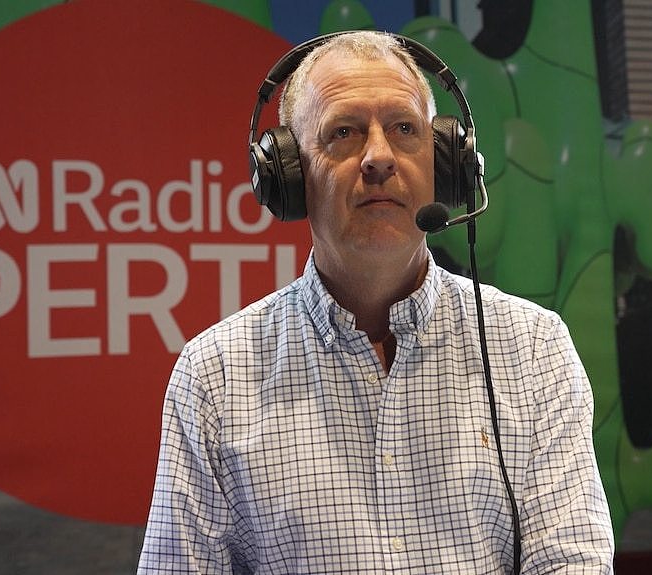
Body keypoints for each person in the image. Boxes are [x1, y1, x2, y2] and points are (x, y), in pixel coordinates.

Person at [137, 30, 614, 574]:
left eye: (404, 129)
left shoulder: (534, 349)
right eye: (344, 132)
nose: (379, 157)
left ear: (444, 164)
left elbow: (571, 562)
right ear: (289, 175)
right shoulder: (214, 377)